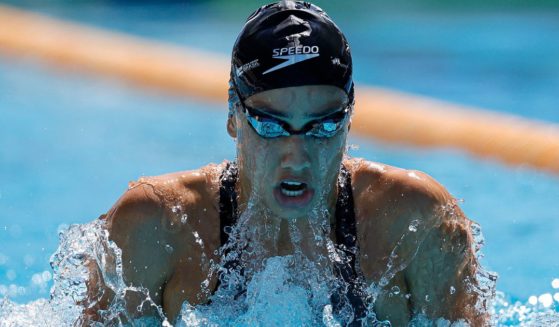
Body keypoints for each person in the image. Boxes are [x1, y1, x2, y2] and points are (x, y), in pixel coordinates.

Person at [82, 1, 487, 326]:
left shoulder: (413, 224)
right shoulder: (158, 225)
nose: (297, 154)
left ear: (350, 120)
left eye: (324, 125)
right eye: (270, 125)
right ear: (232, 116)